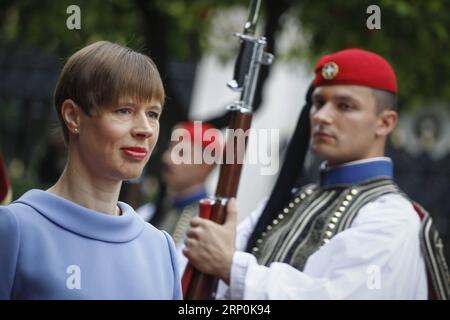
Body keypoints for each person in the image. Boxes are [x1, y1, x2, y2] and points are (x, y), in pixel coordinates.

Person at [183, 48, 450, 299]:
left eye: (344, 106)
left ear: (385, 122)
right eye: (318, 102)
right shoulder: (290, 201)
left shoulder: (391, 217)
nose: (322, 116)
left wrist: (233, 267)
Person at [0, 41, 182, 299]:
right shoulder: (14, 230)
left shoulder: (161, 249)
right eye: (124, 110)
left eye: (153, 114)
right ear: (73, 116)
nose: (145, 129)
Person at [137, 121, 220, 271]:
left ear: (206, 165)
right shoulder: (150, 210)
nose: (167, 159)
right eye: (170, 149)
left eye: (180, 153)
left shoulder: (209, 224)